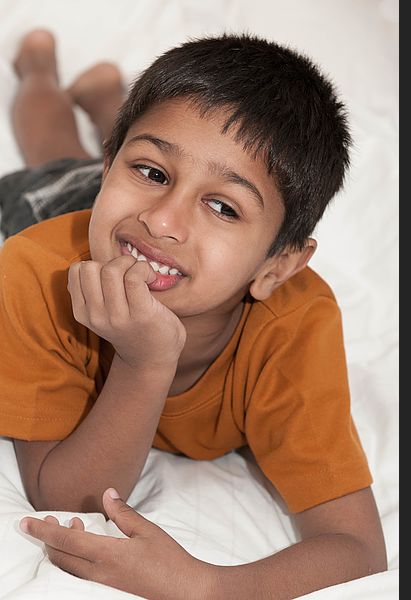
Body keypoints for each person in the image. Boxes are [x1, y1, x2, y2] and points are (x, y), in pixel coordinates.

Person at [0, 29, 387, 599]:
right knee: (55, 154)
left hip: (121, 226)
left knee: (166, 155)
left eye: (223, 207)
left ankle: (114, 104)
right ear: (116, 163)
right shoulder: (39, 270)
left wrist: (210, 585)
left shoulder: (295, 328)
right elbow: (64, 495)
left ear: (278, 266)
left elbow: (358, 548)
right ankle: (38, 68)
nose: (165, 219)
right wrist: (144, 364)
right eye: (151, 171)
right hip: (79, 212)